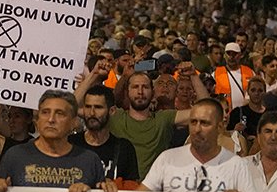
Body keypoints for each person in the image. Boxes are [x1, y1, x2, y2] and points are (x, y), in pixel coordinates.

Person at [76, 62, 208, 178]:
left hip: (153, 191)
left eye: (145, 87)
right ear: (128, 91)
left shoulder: (164, 118)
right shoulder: (115, 115)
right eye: (135, 87)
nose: (140, 91)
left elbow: (206, 112)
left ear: (153, 92)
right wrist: (94, 74)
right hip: (121, 189)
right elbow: (70, 108)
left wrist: (194, 76)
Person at [141, 98, 260, 192]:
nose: (197, 129)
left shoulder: (236, 165)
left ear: (219, 127)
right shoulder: (167, 159)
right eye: (193, 122)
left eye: (204, 123)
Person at [69, 85, 139, 189]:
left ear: (112, 111)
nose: (92, 113)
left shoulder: (124, 148)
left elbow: (132, 190)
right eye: (88, 107)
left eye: (98, 107)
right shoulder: (71, 143)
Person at [213, 41, 254, 110]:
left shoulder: (250, 72)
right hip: (224, 114)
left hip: (245, 113)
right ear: (225, 55)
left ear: (240, 55)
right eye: (229, 54)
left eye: (234, 54)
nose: (231, 57)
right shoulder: (216, 73)